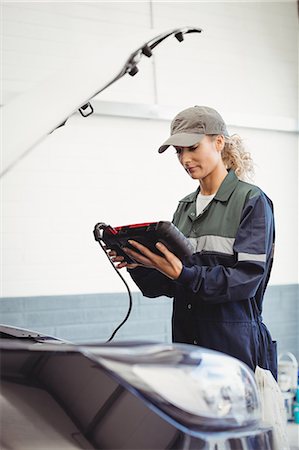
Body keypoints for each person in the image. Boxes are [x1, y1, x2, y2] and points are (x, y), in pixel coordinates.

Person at [108, 105, 277, 379]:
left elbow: (246, 280)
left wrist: (184, 274)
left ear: (218, 142)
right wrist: (139, 263)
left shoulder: (251, 201)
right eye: (179, 152)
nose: (185, 159)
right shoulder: (185, 207)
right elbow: (169, 285)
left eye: (192, 148)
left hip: (233, 349)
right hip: (187, 346)